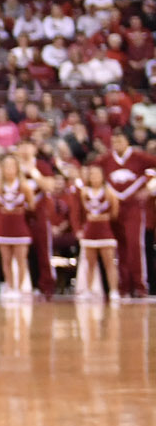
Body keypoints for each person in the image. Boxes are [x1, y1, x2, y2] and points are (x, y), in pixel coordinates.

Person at [103, 130, 153, 298]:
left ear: (127, 142)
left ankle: (139, 285)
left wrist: (149, 189)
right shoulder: (106, 159)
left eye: (120, 140)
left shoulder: (139, 158)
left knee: (134, 245)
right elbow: (90, 170)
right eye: (114, 141)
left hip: (134, 208)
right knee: (119, 247)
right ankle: (123, 286)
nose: (116, 144)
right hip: (114, 207)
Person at [0, 154, 33, 299]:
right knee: (5, 259)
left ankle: (19, 288)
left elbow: (32, 205)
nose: (9, 169)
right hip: (4, 226)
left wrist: (20, 209)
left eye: (12, 166)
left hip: (20, 226)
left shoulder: (24, 186)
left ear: (17, 168)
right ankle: (10, 286)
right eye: (6, 166)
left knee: (20, 259)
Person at [76, 162, 120, 303]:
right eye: (92, 174)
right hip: (90, 230)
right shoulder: (83, 192)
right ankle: (88, 289)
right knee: (90, 263)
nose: (94, 177)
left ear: (102, 176)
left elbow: (114, 213)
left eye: (97, 174)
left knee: (109, 263)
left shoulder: (109, 192)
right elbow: (80, 214)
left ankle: (114, 290)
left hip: (105, 231)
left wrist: (103, 218)